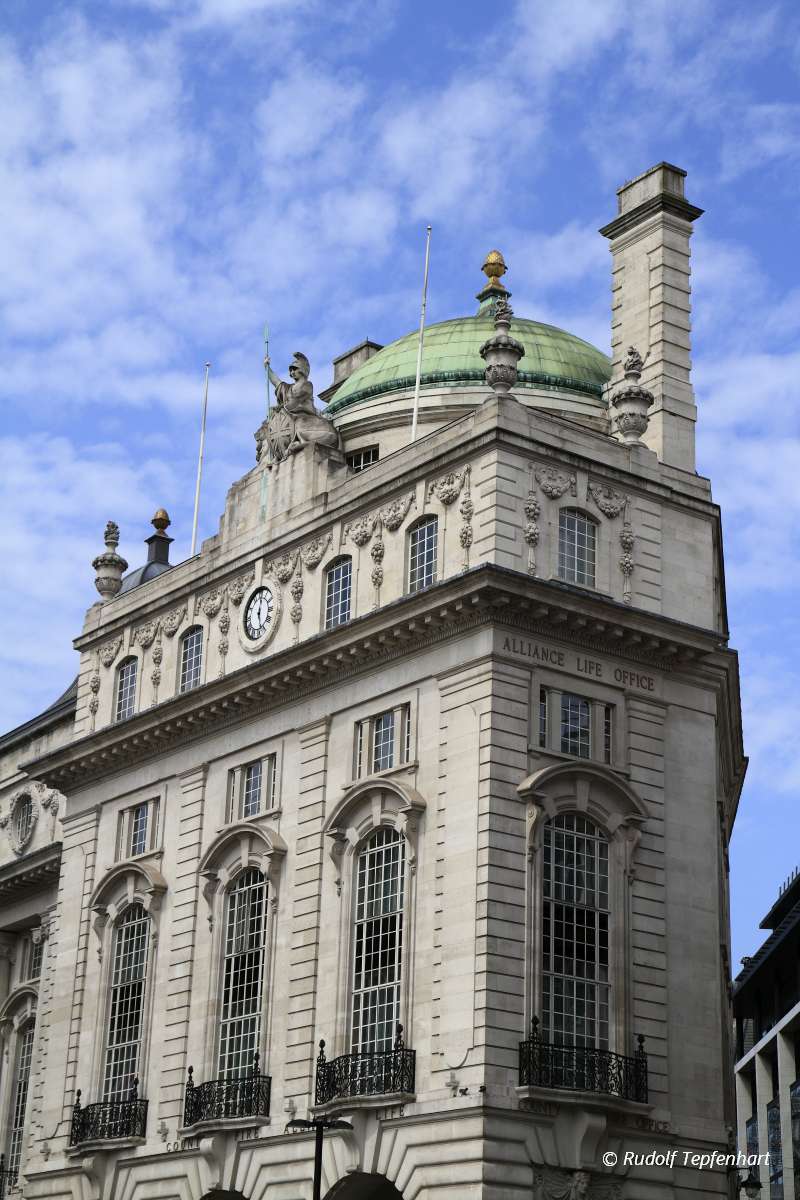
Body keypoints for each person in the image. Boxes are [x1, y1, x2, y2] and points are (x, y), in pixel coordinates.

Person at [264, 352, 341, 455]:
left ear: (302, 369)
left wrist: (280, 408)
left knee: (299, 426)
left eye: (294, 369)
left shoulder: (307, 385)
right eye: (290, 370)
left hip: (305, 417)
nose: (292, 372)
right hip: (293, 418)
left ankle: (302, 444)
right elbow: (276, 382)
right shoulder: (288, 388)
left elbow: (296, 401)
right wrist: (267, 368)